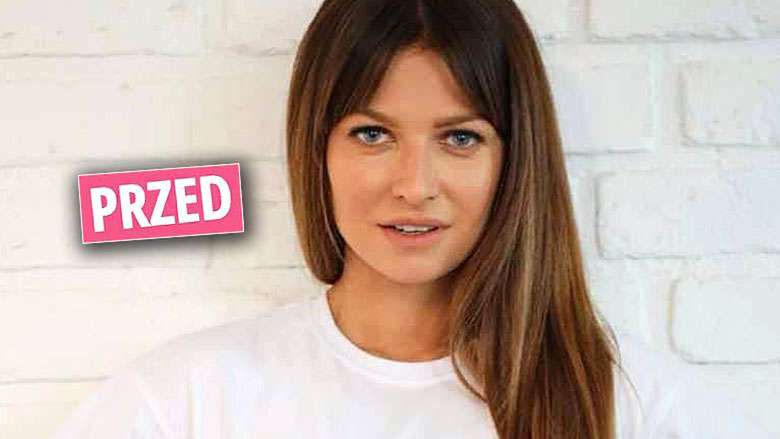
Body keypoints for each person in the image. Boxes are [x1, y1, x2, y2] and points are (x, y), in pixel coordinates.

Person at [50, 0, 769, 438]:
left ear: (514, 160)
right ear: (317, 149)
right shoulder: (183, 402)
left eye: (460, 138)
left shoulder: (637, 405)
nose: (415, 185)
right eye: (372, 134)